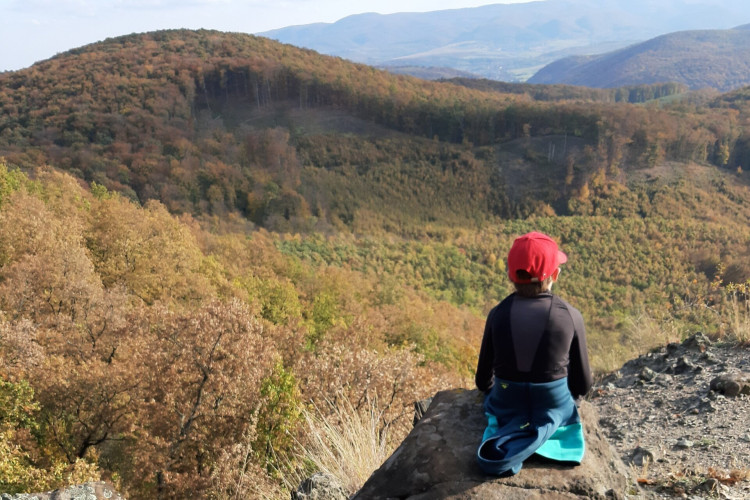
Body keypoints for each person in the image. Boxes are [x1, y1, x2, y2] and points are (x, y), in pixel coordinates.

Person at [474, 231, 592, 476]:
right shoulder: (570, 316)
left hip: (506, 403)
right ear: (555, 275)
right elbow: (583, 385)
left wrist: (502, 389)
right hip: (553, 405)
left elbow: (482, 380)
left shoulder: (498, 314)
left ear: (511, 276)